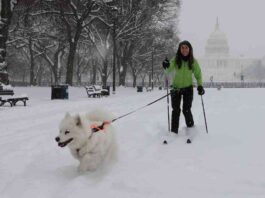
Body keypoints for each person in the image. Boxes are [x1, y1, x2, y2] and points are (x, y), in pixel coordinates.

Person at [162, 40, 205, 134]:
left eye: (186, 48)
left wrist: (200, 86)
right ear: (179, 49)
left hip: (188, 88)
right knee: (176, 110)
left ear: (189, 49)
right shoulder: (175, 59)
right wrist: (166, 65)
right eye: (182, 48)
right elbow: (168, 69)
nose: (184, 50)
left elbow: (198, 74)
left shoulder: (193, 61)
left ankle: (190, 128)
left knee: (186, 109)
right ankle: (174, 132)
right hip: (175, 88)